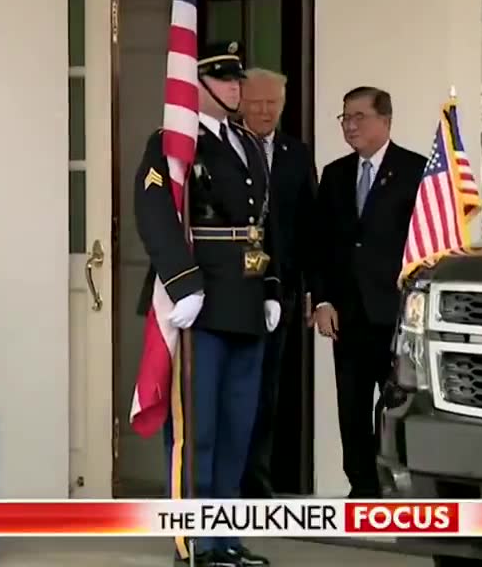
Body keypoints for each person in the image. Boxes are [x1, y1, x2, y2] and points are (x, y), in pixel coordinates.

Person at [134, 42, 280, 567]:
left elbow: (264, 223)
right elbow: (154, 212)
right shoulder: (174, 141)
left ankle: (226, 537)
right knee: (197, 432)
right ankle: (192, 540)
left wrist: (272, 287)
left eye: (238, 78)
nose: (236, 87)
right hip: (200, 303)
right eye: (222, 78)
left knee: (239, 429)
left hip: (244, 301)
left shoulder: (244, 142)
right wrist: (181, 282)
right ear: (195, 83)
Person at [311, 86, 425, 498]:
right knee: (352, 410)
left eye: (360, 116)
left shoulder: (416, 170)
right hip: (348, 314)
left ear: (386, 121)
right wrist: (322, 300)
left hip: (396, 315)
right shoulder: (336, 174)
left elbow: (427, 247)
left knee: (397, 407)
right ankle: (361, 490)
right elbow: (320, 243)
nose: (351, 125)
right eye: (345, 118)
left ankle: (398, 491)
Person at [238, 68, 317, 500]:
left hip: (281, 289)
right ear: (241, 102)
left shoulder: (296, 153)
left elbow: (309, 225)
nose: (265, 111)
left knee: (268, 391)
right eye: (257, 102)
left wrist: (310, 290)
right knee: (235, 389)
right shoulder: (224, 148)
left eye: (273, 104)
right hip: (233, 288)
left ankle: (258, 485)